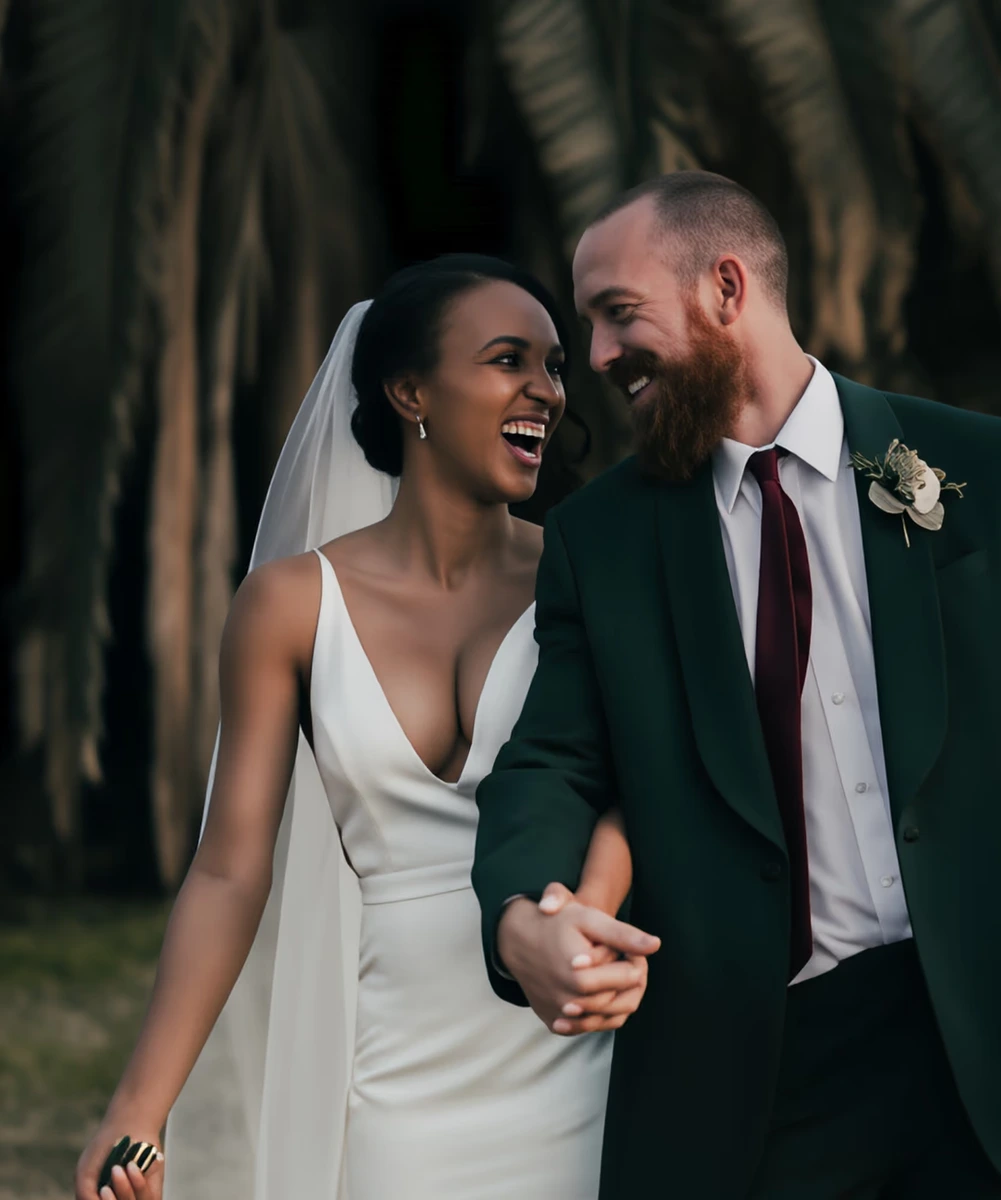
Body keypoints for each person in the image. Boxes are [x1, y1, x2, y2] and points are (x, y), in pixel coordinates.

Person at [472, 172, 1001, 1200]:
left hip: (973, 1056)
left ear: (727, 287)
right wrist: (517, 914)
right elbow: (550, 759)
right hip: (748, 1083)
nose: (593, 358)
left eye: (616, 314)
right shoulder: (604, 539)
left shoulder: (975, 468)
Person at [74, 255, 650, 1200]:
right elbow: (228, 870)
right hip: (398, 1078)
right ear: (410, 389)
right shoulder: (291, 606)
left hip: (581, 1042)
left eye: (552, 365)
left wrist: (586, 927)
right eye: (508, 360)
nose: (544, 390)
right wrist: (136, 1110)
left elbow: (642, 786)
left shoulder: (587, 572)